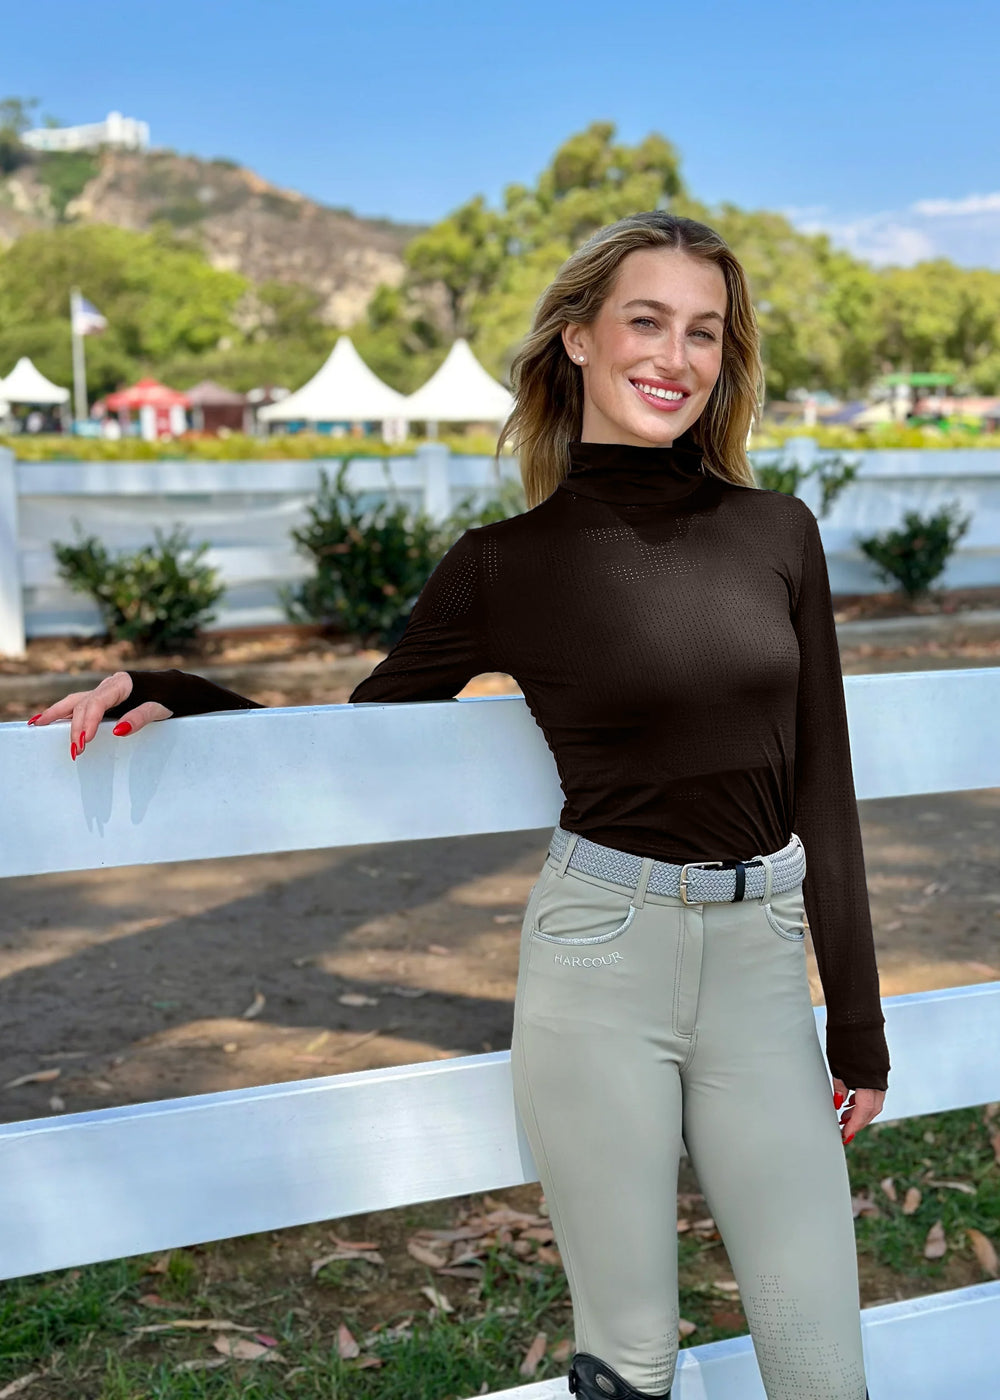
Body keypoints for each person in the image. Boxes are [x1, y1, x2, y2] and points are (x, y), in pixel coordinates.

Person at [28, 211, 887, 1400]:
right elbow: (356, 736)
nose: (674, 355)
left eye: (703, 331)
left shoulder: (776, 532)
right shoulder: (504, 562)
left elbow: (822, 784)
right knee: (631, 1354)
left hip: (760, 961)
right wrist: (176, 688)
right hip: (600, 959)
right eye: (645, 321)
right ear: (578, 337)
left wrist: (858, 1025)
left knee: (821, 1361)